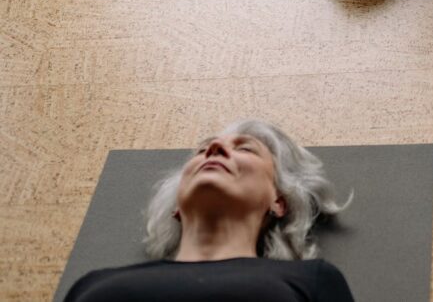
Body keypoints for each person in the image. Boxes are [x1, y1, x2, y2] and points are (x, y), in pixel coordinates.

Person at [64, 120, 355, 302]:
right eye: (202, 150)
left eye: (246, 149)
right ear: (177, 207)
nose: (214, 147)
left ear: (279, 201)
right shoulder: (92, 284)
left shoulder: (311, 280)